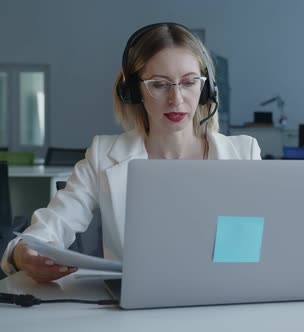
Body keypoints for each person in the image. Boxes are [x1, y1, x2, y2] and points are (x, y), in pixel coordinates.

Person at [1, 22, 261, 282]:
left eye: (189, 82)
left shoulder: (243, 153)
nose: (177, 99)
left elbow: (265, 245)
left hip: (224, 299)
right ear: (134, 92)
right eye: (159, 85)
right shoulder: (104, 154)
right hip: (133, 311)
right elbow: (50, 228)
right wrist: (21, 253)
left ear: (206, 89)